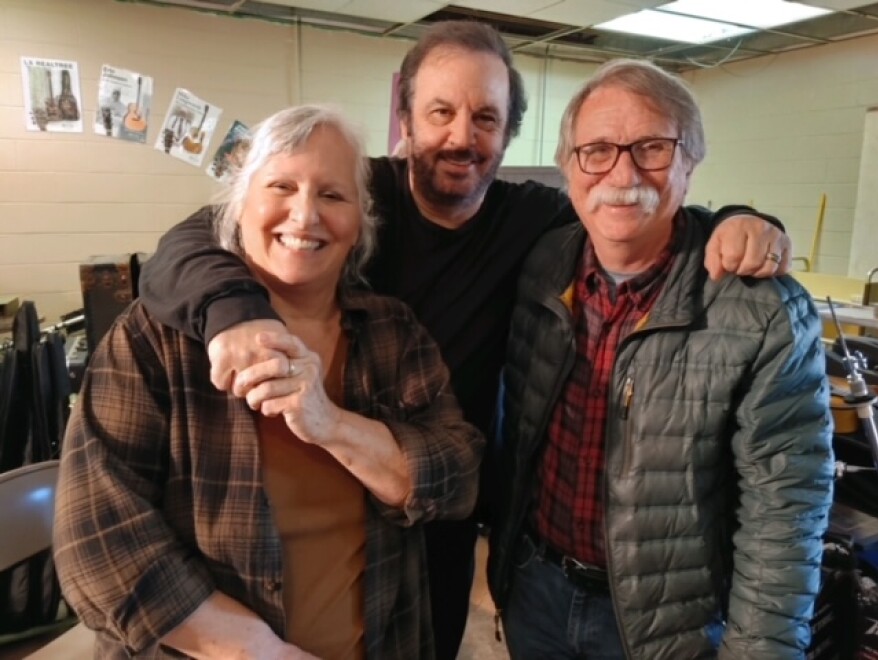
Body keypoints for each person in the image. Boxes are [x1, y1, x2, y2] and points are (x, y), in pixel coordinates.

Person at [137, 22, 794, 659]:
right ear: (405, 121)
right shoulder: (350, 195)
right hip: (297, 499)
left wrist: (740, 220)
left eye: (486, 118)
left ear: (509, 131)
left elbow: (632, 203)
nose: (462, 136)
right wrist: (234, 313)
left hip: (435, 510)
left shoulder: (538, 222)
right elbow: (192, 241)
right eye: (441, 112)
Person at [53, 105, 483, 659]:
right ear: (239, 205)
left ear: (361, 223)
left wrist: (331, 424)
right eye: (282, 186)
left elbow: (458, 479)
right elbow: (97, 544)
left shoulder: (393, 333)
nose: (305, 217)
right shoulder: (153, 341)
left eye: (333, 195)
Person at [486, 58, 834, 660]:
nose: (622, 172)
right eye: (596, 149)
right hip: (535, 594)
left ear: (690, 163)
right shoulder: (541, 268)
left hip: (668, 629)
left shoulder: (760, 310)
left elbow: (785, 511)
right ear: (569, 167)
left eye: (652, 147)